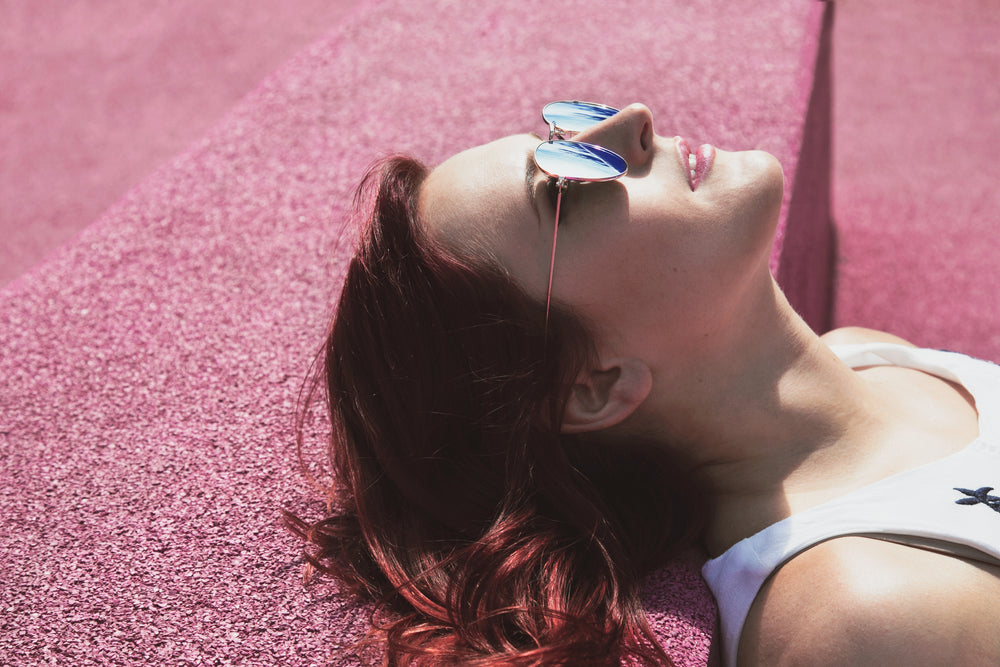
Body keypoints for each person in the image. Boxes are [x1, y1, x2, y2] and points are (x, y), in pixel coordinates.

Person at [288, 101, 1000, 666]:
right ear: (594, 385)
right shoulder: (863, 620)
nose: (632, 118)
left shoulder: (876, 355)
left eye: (565, 126)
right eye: (569, 180)